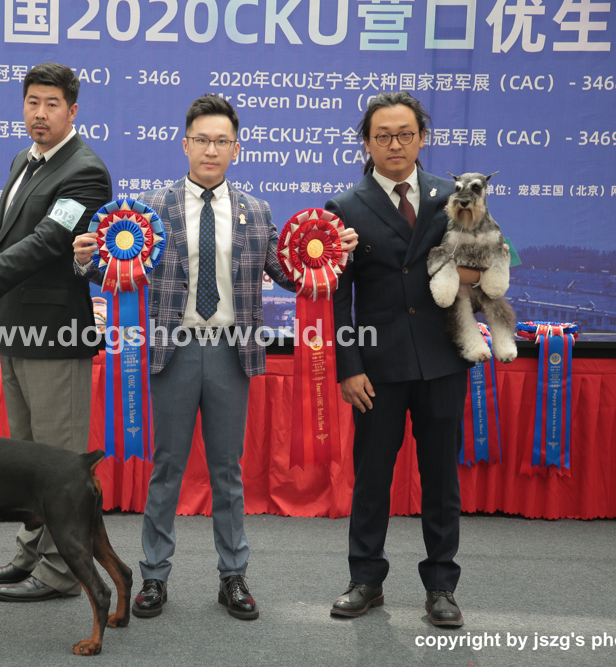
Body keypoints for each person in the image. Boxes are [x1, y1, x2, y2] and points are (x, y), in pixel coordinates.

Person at [73, 95, 358, 621]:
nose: (211, 149)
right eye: (202, 140)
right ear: (185, 145)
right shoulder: (150, 209)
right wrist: (86, 260)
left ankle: (233, 576)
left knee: (228, 471)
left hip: (231, 352)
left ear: (236, 148)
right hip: (173, 350)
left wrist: (334, 255)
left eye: (221, 141)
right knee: (168, 467)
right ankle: (154, 577)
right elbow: (116, 272)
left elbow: (289, 274)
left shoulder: (256, 211)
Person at [0, 62, 112, 602]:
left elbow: (46, 244)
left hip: (55, 335)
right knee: (27, 459)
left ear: (72, 111)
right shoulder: (23, 160)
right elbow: (12, 240)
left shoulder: (85, 172)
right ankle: (31, 551)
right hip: (14, 331)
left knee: (59, 461)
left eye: (52, 104)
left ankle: (61, 571)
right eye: (33, 101)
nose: (40, 113)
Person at [325, 92, 479, 627]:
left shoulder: (451, 196)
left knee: (441, 480)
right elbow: (339, 298)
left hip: (442, 360)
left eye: (405, 134)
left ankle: (441, 586)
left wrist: (475, 275)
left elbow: (486, 258)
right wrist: (349, 367)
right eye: (383, 136)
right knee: (372, 478)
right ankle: (365, 580)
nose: (395, 144)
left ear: (422, 138)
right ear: (367, 143)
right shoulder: (344, 206)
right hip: (377, 368)